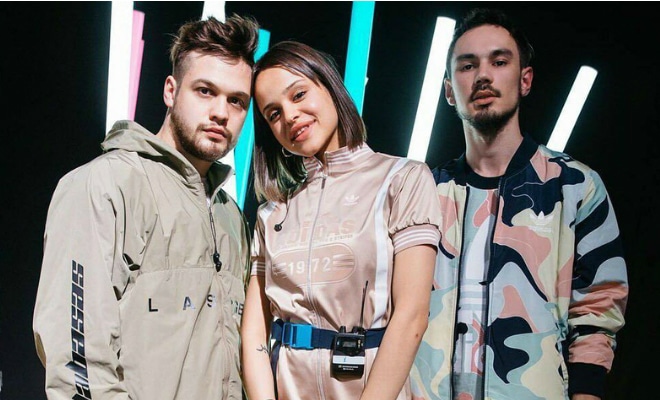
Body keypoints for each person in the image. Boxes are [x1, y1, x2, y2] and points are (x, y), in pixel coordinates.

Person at [33, 14, 259, 400]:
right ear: (171, 91)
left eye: (236, 101)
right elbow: (76, 358)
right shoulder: (104, 184)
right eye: (205, 91)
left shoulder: (230, 216)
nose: (221, 112)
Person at [410, 8, 628, 400]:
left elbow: (597, 310)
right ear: (448, 90)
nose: (483, 76)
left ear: (524, 79)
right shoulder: (423, 192)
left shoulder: (575, 186)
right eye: (467, 65)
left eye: (499, 61)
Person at [240, 40, 442, 400]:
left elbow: (412, 316)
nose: (290, 115)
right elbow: (254, 333)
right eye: (273, 114)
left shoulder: (402, 179)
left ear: (330, 86)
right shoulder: (271, 213)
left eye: (299, 94)